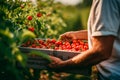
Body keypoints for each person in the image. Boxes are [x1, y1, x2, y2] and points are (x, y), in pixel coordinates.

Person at [48, 0, 120, 80]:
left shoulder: (106, 2)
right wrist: (76, 35)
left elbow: (101, 51)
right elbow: (110, 31)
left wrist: (62, 65)